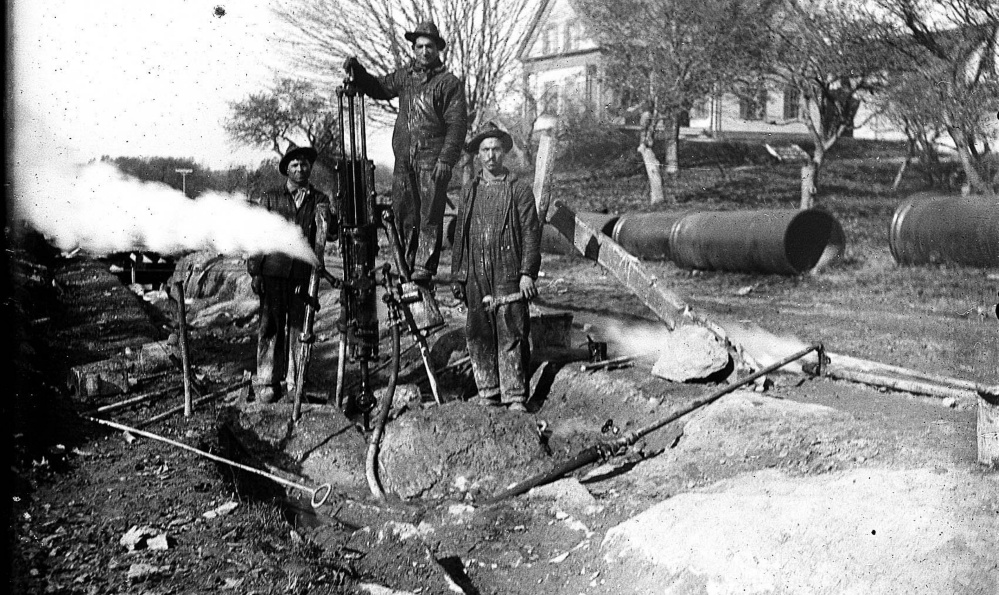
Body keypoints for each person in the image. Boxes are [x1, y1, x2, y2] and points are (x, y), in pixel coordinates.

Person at [343, 21, 468, 284]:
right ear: (413, 49)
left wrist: (446, 159)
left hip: (433, 159)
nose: (425, 51)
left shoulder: (449, 83)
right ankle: (407, 265)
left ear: (438, 50)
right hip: (404, 158)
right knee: (403, 213)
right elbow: (378, 87)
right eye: (420, 46)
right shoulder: (403, 78)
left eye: (430, 47)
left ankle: (424, 267)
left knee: (429, 214)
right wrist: (359, 72)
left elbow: (457, 125)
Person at [451, 123, 541, 412]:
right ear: (478, 155)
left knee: (511, 329)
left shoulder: (519, 189)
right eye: (485, 150)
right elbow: (460, 235)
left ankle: (515, 395)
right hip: (476, 272)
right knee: (478, 332)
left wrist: (527, 272)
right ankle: (488, 392)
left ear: (504, 153)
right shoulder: (470, 191)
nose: (490, 155)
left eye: (495, 149)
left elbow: (530, 232)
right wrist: (458, 275)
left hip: (509, 269)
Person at [246, 146, 334, 403]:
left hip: (302, 275)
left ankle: (296, 382)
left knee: (298, 328)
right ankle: (267, 381)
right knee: (270, 325)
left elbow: (330, 232)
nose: (300, 169)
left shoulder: (319, 200)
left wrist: (329, 218)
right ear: (287, 169)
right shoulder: (271, 199)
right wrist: (255, 271)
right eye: (295, 165)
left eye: (304, 164)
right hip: (273, 272)